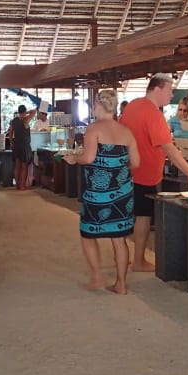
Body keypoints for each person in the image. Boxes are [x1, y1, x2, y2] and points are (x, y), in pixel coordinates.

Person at [120, 73, 188, 272]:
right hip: (145, 173)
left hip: (126, 170)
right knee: (143, 216)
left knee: (127, 216)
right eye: (169, 90)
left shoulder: (132, 105)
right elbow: (169, 149)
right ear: (157, 89)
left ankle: (124, 259)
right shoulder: (153, 113)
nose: (172, 95)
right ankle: (139, 261)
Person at [63, 89, 140, 294]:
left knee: (88, 233)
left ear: (97, 106)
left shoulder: (93, 128)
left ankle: (97, 277)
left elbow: (88, 158)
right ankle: (121, 284)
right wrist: (118, 168)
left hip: (99, 193)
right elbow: (136, 162)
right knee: (119, 238)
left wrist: (73, 159)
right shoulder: (126, 132)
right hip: (124, 192)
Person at [7, 104, 36, 190]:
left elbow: (10, 133)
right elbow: (34, 111)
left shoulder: (14, 120)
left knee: (17, 165)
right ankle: (22, 186)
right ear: (24, 111)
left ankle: (17, 185)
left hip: (16, 145)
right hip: (24, 145)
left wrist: (11, 143)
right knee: (24, 166)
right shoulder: (26, 120)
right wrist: (26, 113)